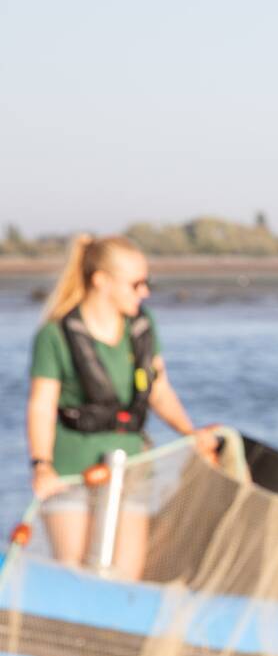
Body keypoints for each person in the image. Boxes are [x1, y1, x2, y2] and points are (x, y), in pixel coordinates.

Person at [25, 234, 215, 575]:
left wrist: (191, 433)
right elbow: (41, 405)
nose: (145, 292)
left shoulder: (143, 327)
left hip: (133, 466)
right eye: (136, 284)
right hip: (72, 471)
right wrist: (42, 464)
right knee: (74, 573)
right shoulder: (54, 335)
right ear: (102, 282)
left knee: (126, 576)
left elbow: (159, 390)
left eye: (147, 283)